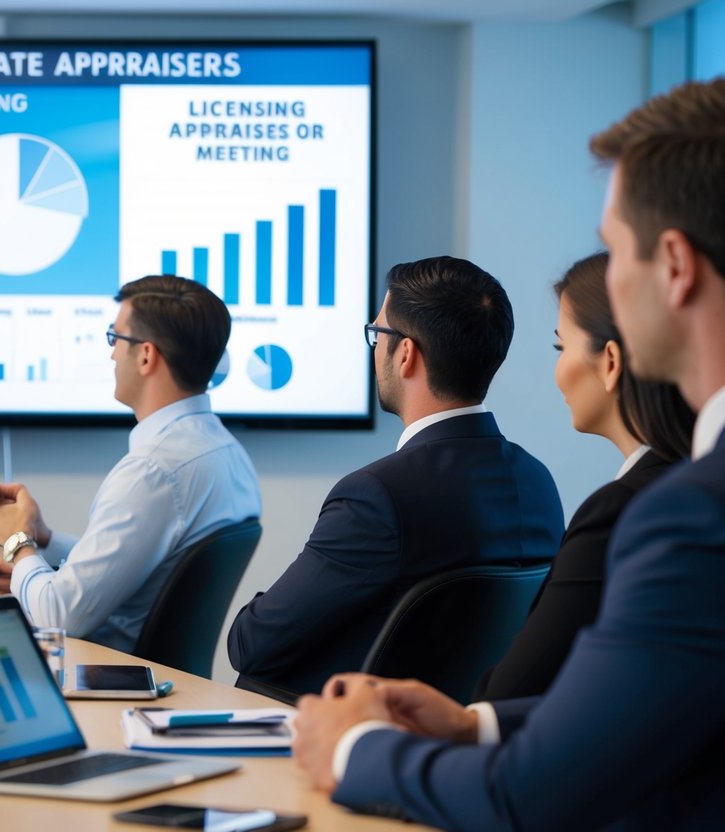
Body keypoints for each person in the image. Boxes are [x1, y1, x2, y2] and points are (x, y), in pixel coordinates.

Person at [291, 78, 725, 830]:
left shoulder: (693, 515)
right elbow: (656, 712)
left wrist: (354, 746)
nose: (609, 285)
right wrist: (474, 725)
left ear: (675, 267)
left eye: (613, 249)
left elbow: (524, 797)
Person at [226, 256, 564, 698]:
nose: (374, 348)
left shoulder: (377, 497)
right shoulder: (538, 483)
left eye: (377, 334)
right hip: (457, 737)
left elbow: (254, 644)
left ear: (405, 354)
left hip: (345, 737)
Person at [0, 274, 260, 653]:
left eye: (115, 338)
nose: (111, 353)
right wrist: (43, 540)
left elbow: (59, 615)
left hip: (97, 673)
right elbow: (137, 561)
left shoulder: (152, 471)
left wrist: (18, 541)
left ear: (146, 355)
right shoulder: (227, 452)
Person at [475, 252, 693, 700]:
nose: (558, 371)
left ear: (610, 362)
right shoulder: (694, 484)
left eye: (561, 347)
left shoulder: (620, 511)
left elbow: (509, 696)